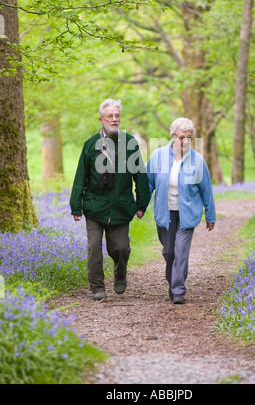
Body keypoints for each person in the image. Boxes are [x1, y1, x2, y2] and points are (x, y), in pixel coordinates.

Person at [70, 99, 150, 301]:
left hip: (121, 207)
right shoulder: (90, 145)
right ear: (101, 119)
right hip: (94, 206)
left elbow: (139, 175)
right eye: (110, 116)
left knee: (120, 248)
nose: (114, 119)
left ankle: (120, 273)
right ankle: (97, 286)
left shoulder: (130, 143)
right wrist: (76, 206)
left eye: (117, 116)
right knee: (94, 249)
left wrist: (142, 203)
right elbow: (81, 176)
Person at [146, 117, 216, 305]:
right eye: (181, 137)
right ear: (173, 136)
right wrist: (140, 206)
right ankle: (174, 282)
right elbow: (148, 184)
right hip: (165, 212)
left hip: (187, 214)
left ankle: (178, 290)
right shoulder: (158, 156)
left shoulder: (197, 160)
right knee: (169, 252)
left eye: (189, 137)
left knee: (180, 251)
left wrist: (210, 216)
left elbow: (206, 190)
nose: (185, 141)